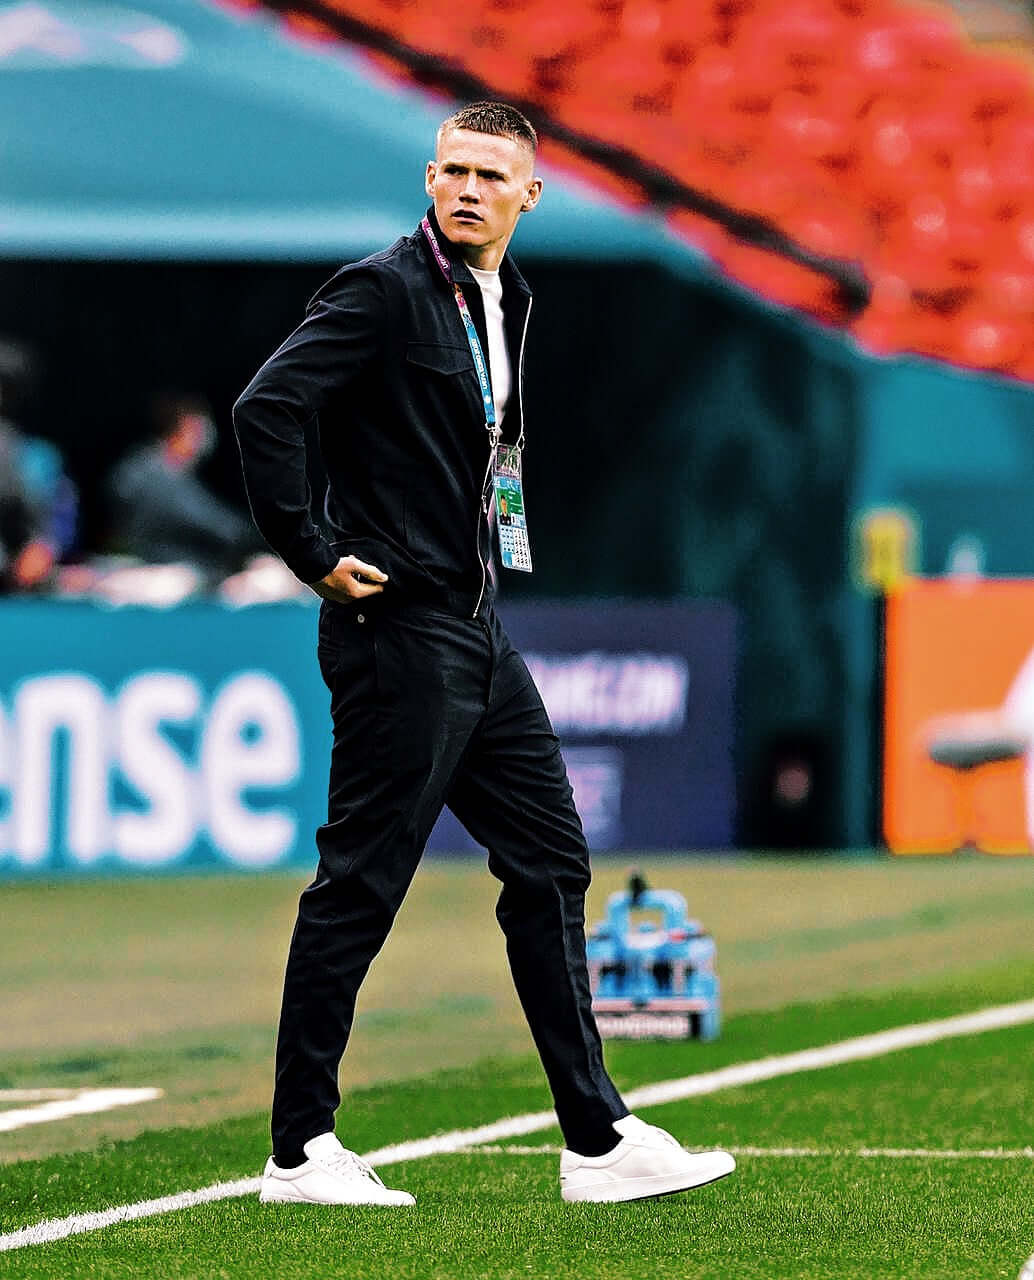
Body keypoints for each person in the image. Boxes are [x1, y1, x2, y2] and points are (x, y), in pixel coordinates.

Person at [233, 101, 735, 1207]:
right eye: (453, 170)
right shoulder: (382, 290)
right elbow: (265, 409)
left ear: (528, 196)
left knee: (551, 862)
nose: (467, 188)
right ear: (429, 178)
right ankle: (298, 1150)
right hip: (396, 627)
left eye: (489, 175)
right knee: (361, 882)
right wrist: (312, 552)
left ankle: (596, 1140)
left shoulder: (505, 300)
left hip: (474, 626)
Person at [107, 393, 258, 577]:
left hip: (171, 562)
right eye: (197, 431)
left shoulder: (174, 472)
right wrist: (253, 536)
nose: (205, 439)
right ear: (178, 431)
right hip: (154, 567)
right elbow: (209, 521)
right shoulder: (150, 471)